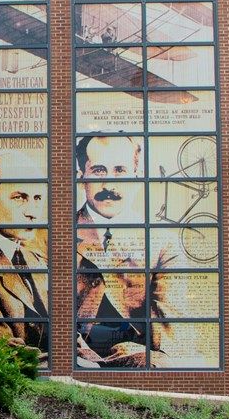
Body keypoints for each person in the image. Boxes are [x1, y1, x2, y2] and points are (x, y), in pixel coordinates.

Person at [73, 134, 172, 368]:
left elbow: (168, 327)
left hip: (139, 357)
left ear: (136, 178)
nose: (109, 185)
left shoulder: (161, 243)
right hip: (78, 357)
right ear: (81, 178)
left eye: (120, 170)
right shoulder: (54, 237)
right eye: (98, 170)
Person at [0, 151, 48, 358]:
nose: (32, 212)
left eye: (37, 198)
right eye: (19, 198)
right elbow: (1, 347)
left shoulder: (34, 258)